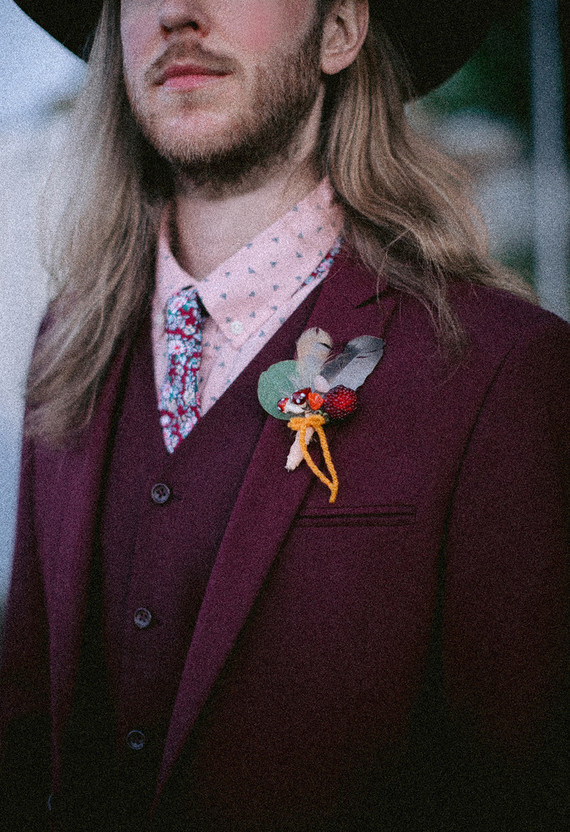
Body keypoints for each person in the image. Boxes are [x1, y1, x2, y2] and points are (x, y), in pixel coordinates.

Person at [1, 0, 568, 829]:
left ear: (338, 30)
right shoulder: (68, 341)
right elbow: (25, 724)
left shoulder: (503, 367)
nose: (177, 12)